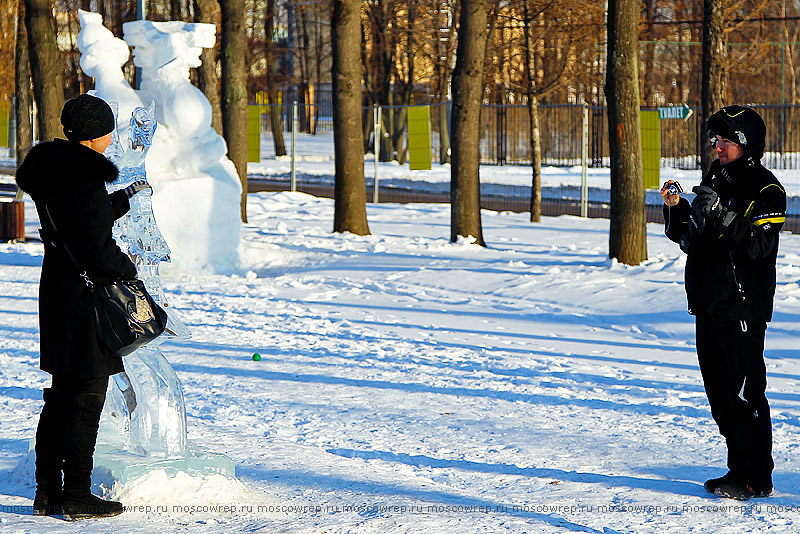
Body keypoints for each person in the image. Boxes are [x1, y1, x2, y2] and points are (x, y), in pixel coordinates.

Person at [16, 94, 149, 520]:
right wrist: (129, 267)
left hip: (57, 292)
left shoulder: (53, 170)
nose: (113, 137)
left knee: (59, 397)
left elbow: (75, 222)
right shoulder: (85, 178)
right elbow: (95, 247)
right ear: (97, 134)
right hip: (85, 302)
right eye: (109, 129)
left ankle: (47, 491)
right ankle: (76, 491)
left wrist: (118, 202)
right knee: (87, 397)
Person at [661, 105, 786, 501]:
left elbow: (759, 247)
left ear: (745, 144)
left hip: (742, 307)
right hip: (709, 302)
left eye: (725, 141)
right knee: (719, 396)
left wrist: (725, 216)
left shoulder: (767, 188)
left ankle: (756, 477)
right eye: (714, 139)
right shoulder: (716, 178)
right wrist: (678, 210)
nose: (716, 146)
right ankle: (738, 469)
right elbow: (694, 242)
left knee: (745, 393)